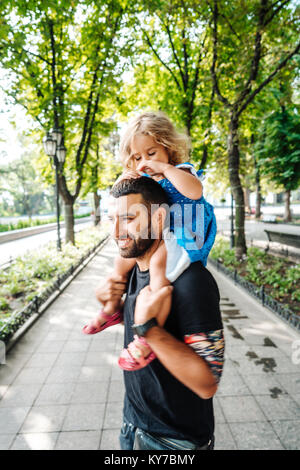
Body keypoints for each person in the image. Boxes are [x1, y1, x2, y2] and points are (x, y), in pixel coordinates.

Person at [96, 177, 224, 450]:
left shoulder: (192, 282)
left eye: (129, 218)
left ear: (159, 218)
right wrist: (114, 307)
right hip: (132, 422)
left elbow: (207, 383)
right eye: (111, 219)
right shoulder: (134, 270)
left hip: (174, 441)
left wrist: (150, 330)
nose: (117, 231)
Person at [83, 111, 217, 371]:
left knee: (157, 273)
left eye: (151, 153)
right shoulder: (144, 179)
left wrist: (165, 168)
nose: (144, 162)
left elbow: (195, 191)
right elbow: (122, 198)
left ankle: (146, 339)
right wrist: (124, 178)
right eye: (137, 157)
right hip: (160, 237)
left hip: (182, 237)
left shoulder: (180, 171)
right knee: (120, 262)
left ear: (168, 148)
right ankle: (112, 308)